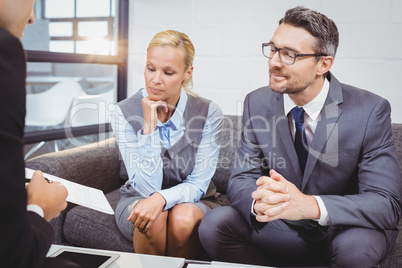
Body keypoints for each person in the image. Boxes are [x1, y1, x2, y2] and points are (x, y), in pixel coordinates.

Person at [199, 6, 401, 267]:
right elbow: (241, 178)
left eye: (289, 54)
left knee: (354, 252)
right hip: (283, 227)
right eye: (273, 49)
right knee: (215, 223)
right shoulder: (256, 102)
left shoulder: (369, 110)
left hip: (344, 229)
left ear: (323, 64)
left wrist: (310, 206)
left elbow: (385, 204)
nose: (274, 62)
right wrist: (262, 203)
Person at [111, 30, 225, 259]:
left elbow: (199, 183)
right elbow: (146, 189)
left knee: (182, 218)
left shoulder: (209, 112)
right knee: (151, 220)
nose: (155, 79)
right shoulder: (122, 112)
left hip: (197, 200)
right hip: (138, 197)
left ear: (187, 73)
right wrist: (149, 128)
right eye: (150, 68)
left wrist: (162, 198)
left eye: (169, 72)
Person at [0, 0, 74, 267]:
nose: (32, 18)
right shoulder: (5, 50)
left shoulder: (205, 113)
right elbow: (14, 254)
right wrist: (39, 208)